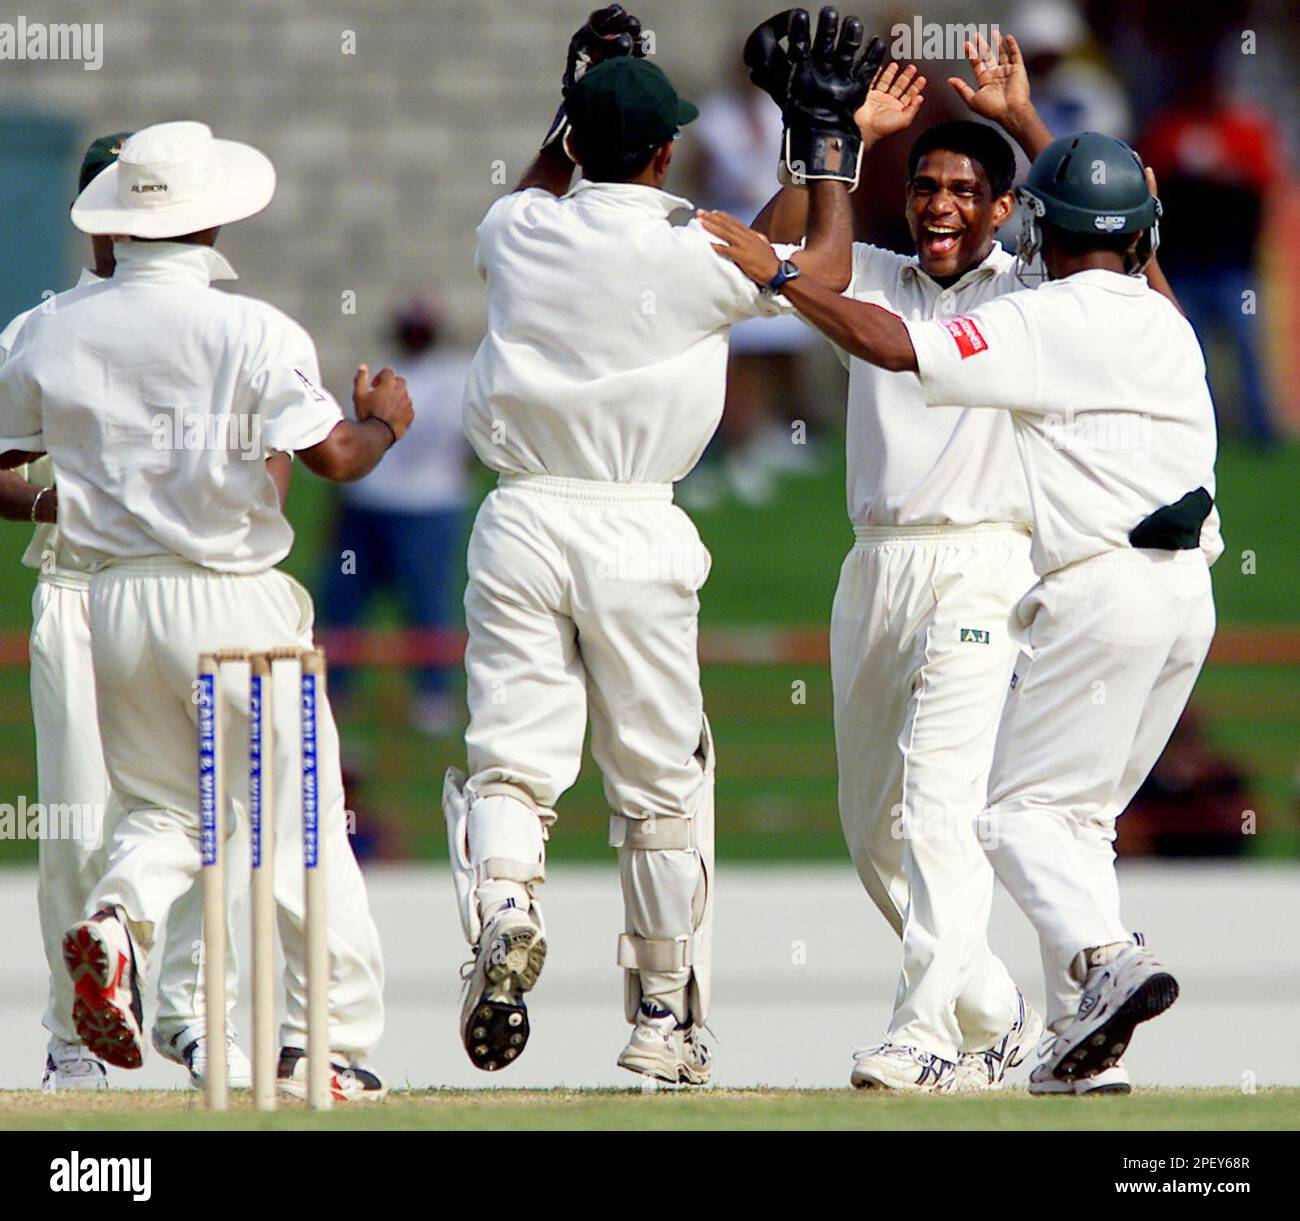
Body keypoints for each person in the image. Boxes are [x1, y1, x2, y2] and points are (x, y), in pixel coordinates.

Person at [703, 130, 1219, 1093]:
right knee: (896, 833)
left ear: (1011, 213)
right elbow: (811, 258)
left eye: (965, 190)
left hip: (1002, 568)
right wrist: (831, 150)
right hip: (912, 568)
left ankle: (939, 1026)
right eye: (926, 185)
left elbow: (891, 345)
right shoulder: (1148, 317)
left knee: (981, 813)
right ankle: (1038, 1026)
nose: (940, 203)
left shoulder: (1033, 302)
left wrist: (778, 281)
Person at [443, 8, 851, 1085]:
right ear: (666, 149)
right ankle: (662, 1018)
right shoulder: (695, 242)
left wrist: (574, 92)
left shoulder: (516, 231)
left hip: (521, 514)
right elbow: (813, 266)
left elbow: (540, 182)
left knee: (512, 759)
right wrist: (822, 143)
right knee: (660, 783)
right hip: (635, 520)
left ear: (573, 141)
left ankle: (505, 907)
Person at [0, 120, 412, 1101]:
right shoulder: (253, 329)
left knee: (160, 814)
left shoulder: (49, 327)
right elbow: (336, 460)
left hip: (110, 601)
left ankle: (116, 922)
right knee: (295, 819)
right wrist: (388, 419)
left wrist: (87, 499)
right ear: (214, 223)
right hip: (234, 604)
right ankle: (329, 1047)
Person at [0, 132, 267, 1093]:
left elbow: (271, 451)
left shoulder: (214, 322)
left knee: (208, 809)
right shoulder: (49, 325)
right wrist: (56, 500)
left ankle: (191, 1012)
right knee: (79, 820)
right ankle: (76, 1031)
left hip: (191, 590)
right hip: (78, 590)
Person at [318, 298, 472, 735]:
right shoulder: (388, 372)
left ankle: (433, 696)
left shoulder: (450, 376)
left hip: (424, 506)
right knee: (344, 599)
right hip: (375, 502)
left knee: (426, 603)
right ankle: (335, 690)